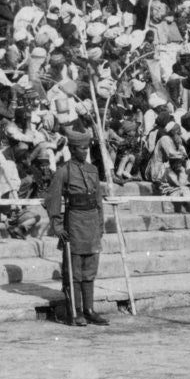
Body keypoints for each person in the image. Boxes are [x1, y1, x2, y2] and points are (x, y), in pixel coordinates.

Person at [45, 127, 109, 327]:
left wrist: (100, 225)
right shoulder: (64, 171)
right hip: (74, 222)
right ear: (73, 149)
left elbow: (98, 200)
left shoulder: (93, 169)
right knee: (74, 270)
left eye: (86, 147)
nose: (85, 151)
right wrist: (57, 227)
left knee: (90, 268)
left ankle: (89, 310)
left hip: (91, 223)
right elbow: (53, 200)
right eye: (81, 148)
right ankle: (76, 311)